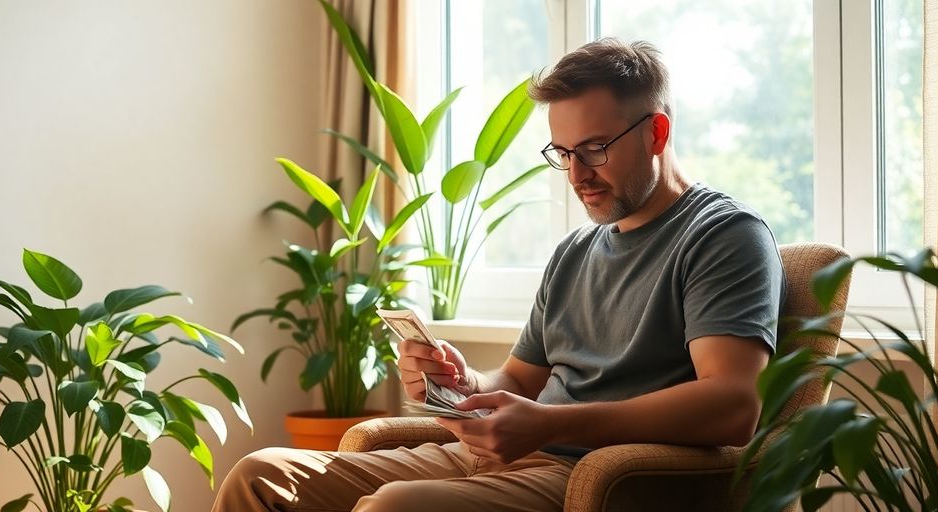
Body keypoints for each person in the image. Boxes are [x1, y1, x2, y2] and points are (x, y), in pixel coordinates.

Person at [212, 37, 785, 512]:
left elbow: (733, 405)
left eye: (594, 149)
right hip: (501, 456)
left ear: (656, 133)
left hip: (596, 477)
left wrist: (549, 426)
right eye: (562, 153)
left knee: (395, 506)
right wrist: (461, 384)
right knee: (261, 476)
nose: (576, 174)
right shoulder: (576, 251)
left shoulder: (723, 236)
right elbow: (517, 380)